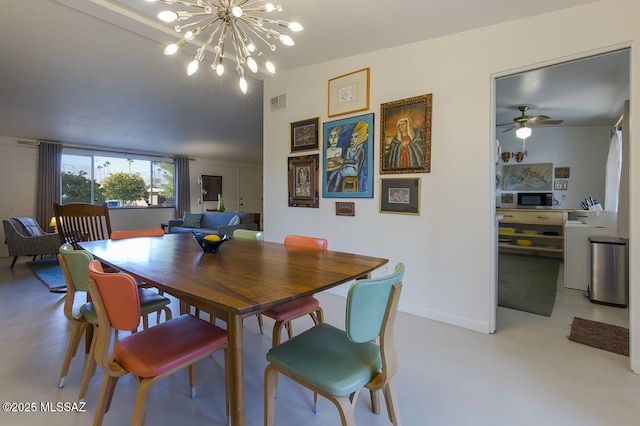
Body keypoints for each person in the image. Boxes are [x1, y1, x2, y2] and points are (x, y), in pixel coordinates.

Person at [327, 121, 367, 192]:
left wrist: (343, 161)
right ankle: (327, 186)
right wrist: (339, 160)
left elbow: (354, 161)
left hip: (354, 170)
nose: (352, 139)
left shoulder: (359, 148)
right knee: (334, 172)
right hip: (347, 166)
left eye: (356, 137)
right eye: (351, 137)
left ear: (360, 138)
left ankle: (334, 190)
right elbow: (345, 159)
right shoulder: (348, 149)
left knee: (339, 173)